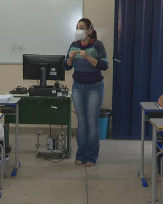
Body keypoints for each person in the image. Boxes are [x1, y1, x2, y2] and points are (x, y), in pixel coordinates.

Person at [62, 18, 109, 167]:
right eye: (77, 27)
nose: (78, 30)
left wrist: (88, 56)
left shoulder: (97, 45)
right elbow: (66, 67)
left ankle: (91, 156)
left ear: (89, 30)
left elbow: (104, 65)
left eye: (81, 27)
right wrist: (70, 59)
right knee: (82, 123)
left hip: (94, 87)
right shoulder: (73, 45)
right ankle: (81, 154)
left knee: (92, 123)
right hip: (78, 88)